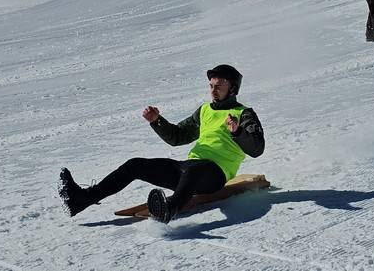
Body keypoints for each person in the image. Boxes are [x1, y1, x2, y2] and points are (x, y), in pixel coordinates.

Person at [58, 64, 265, 223]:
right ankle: (81, 199)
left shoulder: (243, 113)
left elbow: (256, 149)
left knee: (195, 170)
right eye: (211, 86)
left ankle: (171, 208)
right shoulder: (205, 110)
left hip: (215, 174)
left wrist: (237, 131)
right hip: (189, 169)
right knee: (135, 165)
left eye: (219, 86)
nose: (213, 90)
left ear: (233, 88)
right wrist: (157, 121)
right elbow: (178, 136)